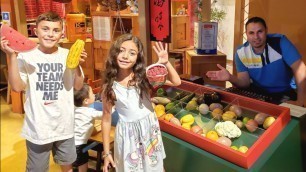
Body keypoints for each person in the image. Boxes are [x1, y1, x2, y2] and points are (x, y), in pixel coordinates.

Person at [0, 11, 87, 171]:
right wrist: (12, 56)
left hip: (64, 124)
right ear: (35, 31)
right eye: (45, 29)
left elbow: (78, 86)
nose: (50, 34)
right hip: (38, 127)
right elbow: (17, 87)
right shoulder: (26, 56)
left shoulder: (67, 55)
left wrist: (77, 67)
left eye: (55, 30)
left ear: (62, 33)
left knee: (67, 166)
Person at [101, 34, 181, 172]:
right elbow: (106, 119)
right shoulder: (110, 87)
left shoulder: (144, 77)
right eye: (121, 50)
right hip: (128, 137)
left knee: (155, 167)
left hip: (149, 131)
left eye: (132, 53)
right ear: (115, 53)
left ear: (137, 58)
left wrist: (166, 62)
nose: (126, 56)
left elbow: (176, 82)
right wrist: (107, 152)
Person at [206, 16, 306, 106]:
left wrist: (301, 101)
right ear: (247, 34)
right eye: (251, 33)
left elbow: (301, 70)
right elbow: (244, 83)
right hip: (258, 92)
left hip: (284, 93)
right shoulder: (241, 52)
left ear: (266, 31)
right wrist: (230, 77)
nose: (256, 37)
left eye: (260, 31)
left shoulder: (280, 42)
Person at [73, 83, 103, 172]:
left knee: (74, 165)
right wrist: (112, 108)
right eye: (92, 93)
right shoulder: (89, 112)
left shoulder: (75, 108)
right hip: (80, 145)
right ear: (86, 101)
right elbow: (104, 115)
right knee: (83, 165)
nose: (94, 95)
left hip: (71, 143)